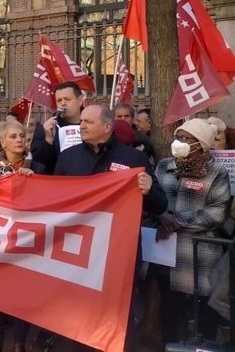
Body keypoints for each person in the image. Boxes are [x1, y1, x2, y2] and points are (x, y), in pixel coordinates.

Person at [54, 104, 167, 351]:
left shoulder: (134, 159)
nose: (81, 125)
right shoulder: (68, 157)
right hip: (77, 253)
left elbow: (160, 205)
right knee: (76, 314)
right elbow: (53, 200)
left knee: (117, 316)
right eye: (81, 121)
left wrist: (148, 190)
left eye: (88, 122)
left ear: (107, 126)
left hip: (118, 255)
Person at [155, 118, 230, 344]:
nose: (179, 142)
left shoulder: (216, 173)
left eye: (186, 138)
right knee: (169, 310)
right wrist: (160, 216)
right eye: (178, 137)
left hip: (199, 255)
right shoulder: (164, 166)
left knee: (203, 316)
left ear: (201, 144)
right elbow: (154, 198)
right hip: (166, 252)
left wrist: (177, 221)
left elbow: (216, 213)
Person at [0, 119, 46, 352]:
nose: (20, 140)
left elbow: (50, 202)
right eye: (13, 136)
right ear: (2, 141)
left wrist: (35, 181)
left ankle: (20, 343)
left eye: (22, 135)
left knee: (23, 291)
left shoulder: (38, 168)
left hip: (25, 239)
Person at [32, 81, 84, 173]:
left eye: (67, 99)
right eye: (59, 100)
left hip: (88, 182)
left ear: (80, 100)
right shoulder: (45, 129)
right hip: (58, 183)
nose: (63, 103)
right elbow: (38, 165)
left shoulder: (94, 125)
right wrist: (48, 141)